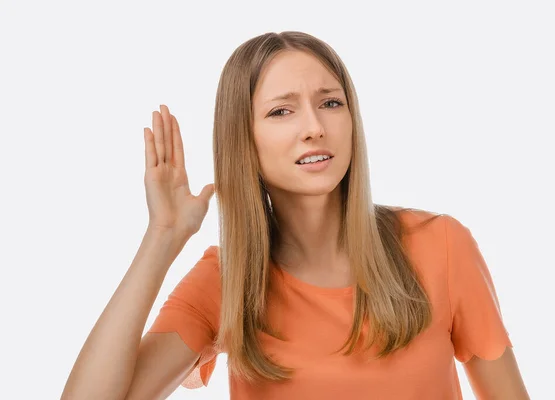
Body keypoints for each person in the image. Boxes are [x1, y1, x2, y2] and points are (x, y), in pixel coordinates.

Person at [61, 31, 529, 399]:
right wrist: (163, 236)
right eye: (282, 111)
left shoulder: (440, 245)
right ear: (243, 139)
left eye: (330, 103)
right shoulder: (227, 282)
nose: (314, 128)